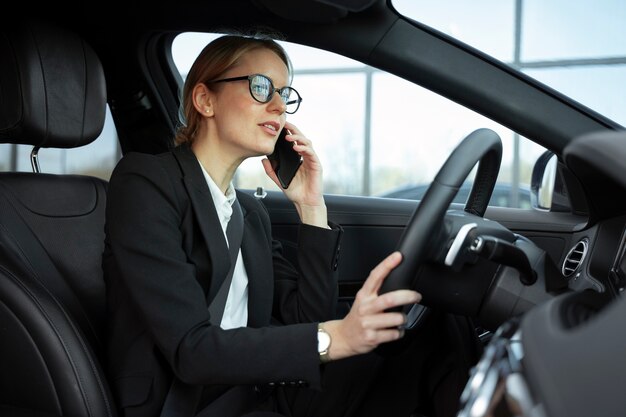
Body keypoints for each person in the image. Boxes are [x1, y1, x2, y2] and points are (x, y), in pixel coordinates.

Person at [103, 34, 473, 417]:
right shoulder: (144, 183)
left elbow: (307, 318)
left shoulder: (250, 213)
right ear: (205, 99)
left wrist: (311, 207)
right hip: (186, 403)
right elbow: (191, 350)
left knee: (430, 339)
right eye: (262, 87)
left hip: (258, 388)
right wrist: (338, 338)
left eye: (285, 93)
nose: (280, 107)